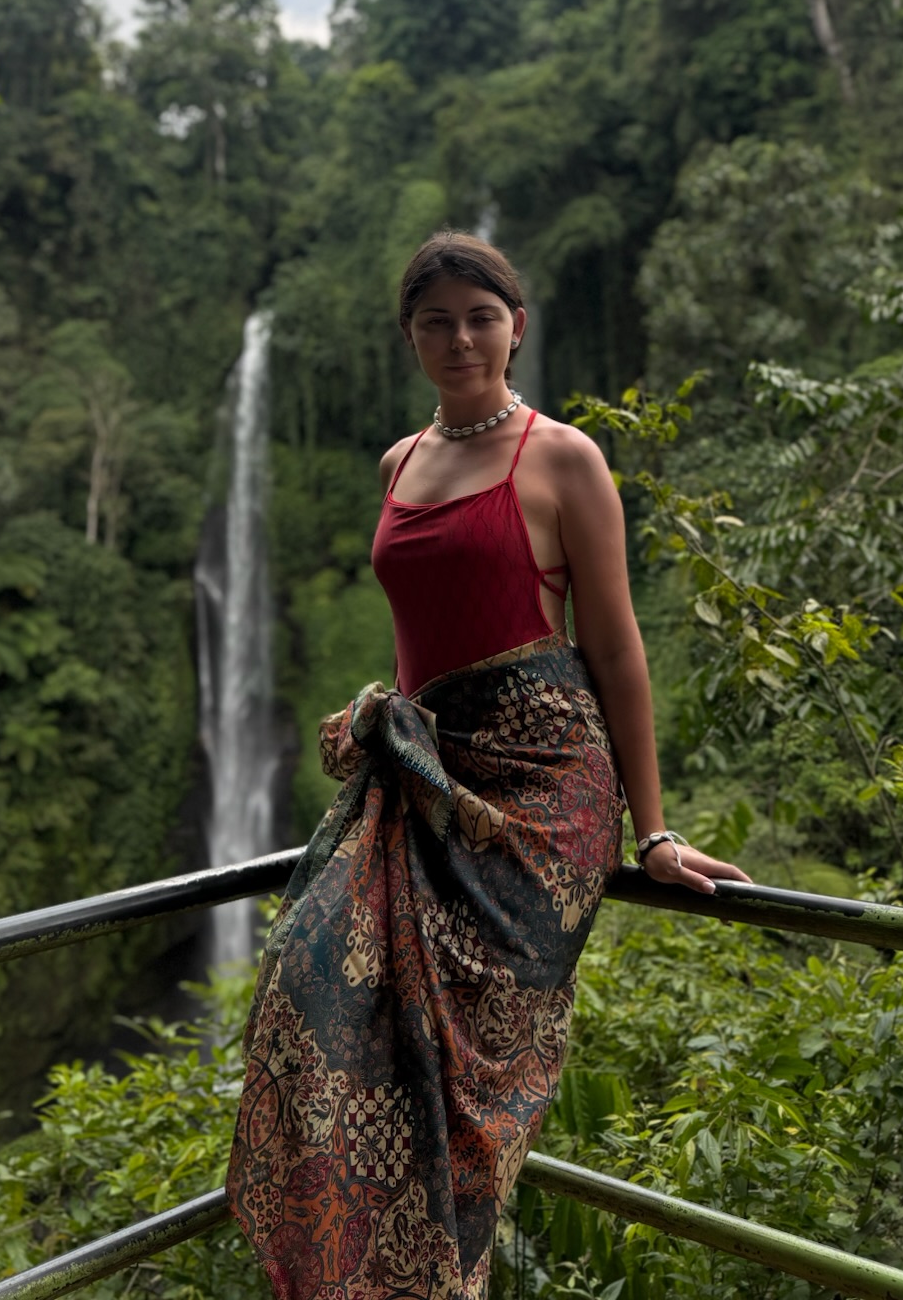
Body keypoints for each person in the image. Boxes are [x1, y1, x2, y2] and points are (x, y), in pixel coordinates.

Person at [227, 231, 750, 1300]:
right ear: (410, 334)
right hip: (423, 781)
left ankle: (432, 1276)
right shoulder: (398, 463)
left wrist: (651, 832)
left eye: (481, 313)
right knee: (304, 996)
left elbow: (616, 649)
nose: (460, 335)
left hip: (540, 791)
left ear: (517, 323)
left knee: (460, 1084)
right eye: (436, 318)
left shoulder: (561, 457)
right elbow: (428, 628)